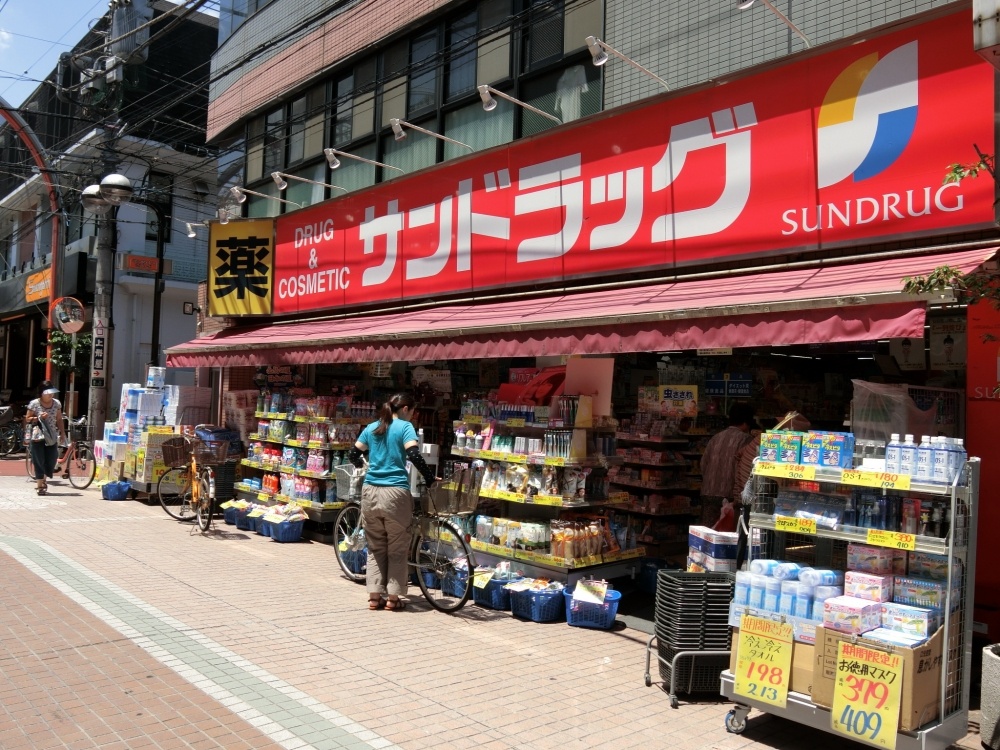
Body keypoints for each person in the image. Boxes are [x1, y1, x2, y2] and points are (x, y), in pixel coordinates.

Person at [348, 393, 436, 611]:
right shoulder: (405, 427)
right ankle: (393, 599)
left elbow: (352, 453)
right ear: (405, 408)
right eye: (413, 411)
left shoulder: (372, 427)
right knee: (397, 547)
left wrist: (363, 463)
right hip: (395, 494)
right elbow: (414, 455)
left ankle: (374, 597)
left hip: (370, 493)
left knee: (376, 546)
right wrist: (430, 477)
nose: (413, 415)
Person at [698, 403, 755, 527]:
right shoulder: (746, 440)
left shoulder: (715, 438)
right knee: (727, 535)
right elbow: (745, 469)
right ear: (746, 422)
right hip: (730, 496)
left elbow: (703, 464)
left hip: (709, 492)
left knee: (708, 533)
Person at [25, 380, 66, 495]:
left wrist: (62, 433)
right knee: (39, 460)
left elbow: (59, 419)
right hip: (37, 436)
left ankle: (44, 479)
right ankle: (40, 485)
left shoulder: (56, 403)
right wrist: (38, 417)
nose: (50, 395)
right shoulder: (34, 403)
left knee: (52, 458)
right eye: (47, 392)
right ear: (41, 393)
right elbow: (27, 418)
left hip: (52, 436)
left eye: (51, 392)